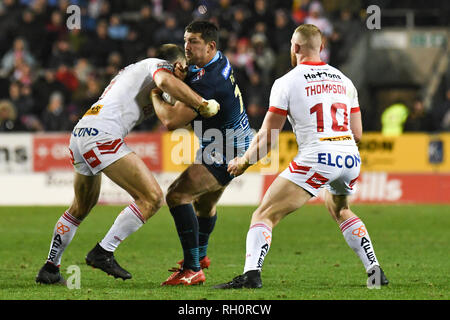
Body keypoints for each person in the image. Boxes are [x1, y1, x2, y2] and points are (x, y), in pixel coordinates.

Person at [214, 24, 389, 289]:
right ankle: (375, 269)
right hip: (350, 158)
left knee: (264, 215)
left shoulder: (287, 82)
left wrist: (244, 161)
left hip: (317, 156)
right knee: (341, 208)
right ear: (321, 47)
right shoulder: (345, 80)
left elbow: (267, 138)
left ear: (294, 48)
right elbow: (358, 133)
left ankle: (251, 275)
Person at [35, 44, 220, 284]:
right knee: (152, 198)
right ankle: (103, 251)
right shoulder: (158, 66)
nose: (188, 74)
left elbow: (169, 118)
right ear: (175, 65)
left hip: (82, 133)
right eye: (186, 69)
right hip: (103, 136)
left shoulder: (138, 75)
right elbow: (166, 83)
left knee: (80, 208)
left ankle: (50, 268)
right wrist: (202, 103)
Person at [150, 21, 253, 286]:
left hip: (226, 148)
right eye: (185, 40)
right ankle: (201, 255)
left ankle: (192, 269)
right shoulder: (216, 63)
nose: (186, 46)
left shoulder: (209, 83)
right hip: (230, 141)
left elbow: (171, 121)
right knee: (204, 204)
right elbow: (195, 78)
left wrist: (155, 94)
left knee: (177, 195)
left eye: (193, 41)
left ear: (211, 46)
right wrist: (186, 76)